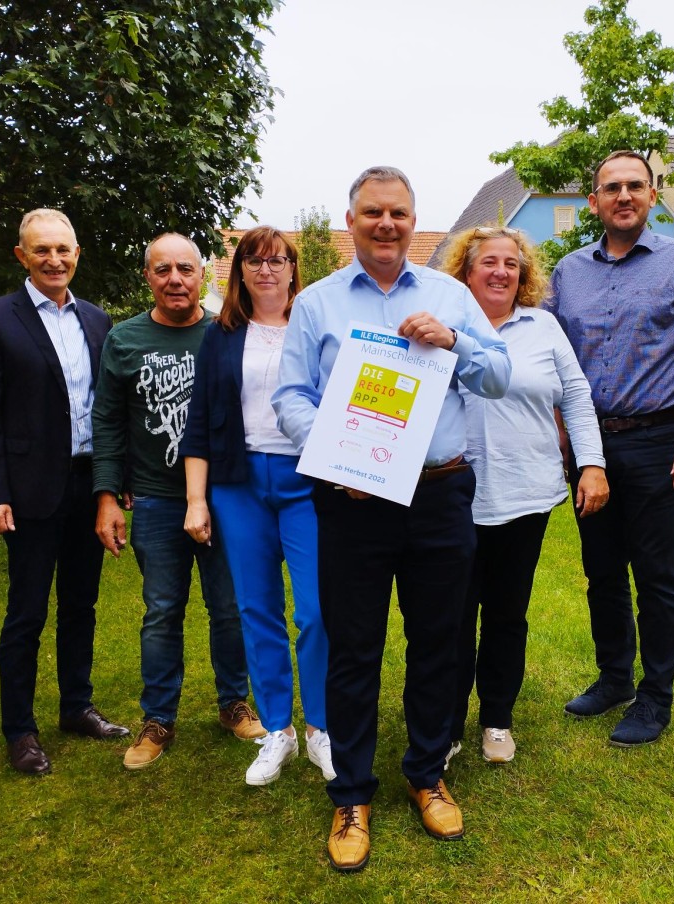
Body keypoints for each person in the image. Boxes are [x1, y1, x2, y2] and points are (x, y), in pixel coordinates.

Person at [273, 166, 511, 872]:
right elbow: (291, 398)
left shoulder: (450, 295)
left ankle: (426, 772)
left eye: (398, 213)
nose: (386, 224)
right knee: (353, 647)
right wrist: (339, 459)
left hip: (439, 494)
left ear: (414, 220)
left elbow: (499, 377)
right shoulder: (315, 304)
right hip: (352, 502)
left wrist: (454, 341)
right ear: (352, 222)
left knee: (439, 640)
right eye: (372, 212)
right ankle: (351, 792)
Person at [548, 150, 674, 746]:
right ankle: (614, 677)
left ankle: (655, 696)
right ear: (593, 201)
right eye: (611, 188)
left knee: (656, 575)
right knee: (601, 570)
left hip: (657, 437)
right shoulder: (568, 272)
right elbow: (552, 354)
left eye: (635, 186)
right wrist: (562, 436)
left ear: (652, 196)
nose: (624, 196)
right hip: (590, 442)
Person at [0, 208, 129, 776]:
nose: (54, 260)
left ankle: (76, 707)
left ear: (77, 254)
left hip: (88, 485)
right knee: (27, 611)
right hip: (29, 491)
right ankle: (20, 730)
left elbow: (108, 411)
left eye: (64, 250)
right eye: (42, 251)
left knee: (80, 605)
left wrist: (114, 484)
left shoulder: (98, 321)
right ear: (22, 257)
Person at [91, 233, 264, 772]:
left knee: (230, 607)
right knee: (162, 611)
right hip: (157, 501)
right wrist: (106, 496)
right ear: (149, 277)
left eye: (185, 270)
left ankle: (233, 703)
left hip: (227, 496)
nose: (175, 280)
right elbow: (108, 423)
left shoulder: (228, 334)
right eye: (163, 270)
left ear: (203, 278)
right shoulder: (124, 340)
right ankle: (158, 718)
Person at [439, 226, 608, 766]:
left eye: (511, 264)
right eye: (488, 262)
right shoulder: (443, 326)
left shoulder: (543, 327)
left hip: (526, 494)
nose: (500, 272)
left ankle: (497, 719)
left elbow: (578, 397)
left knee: (507, 613)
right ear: (466, 271)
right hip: (453, 495)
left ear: (524, 273)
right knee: (452, 615)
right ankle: (445, 724)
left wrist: (592, 464)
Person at [178, 226, 333, 787]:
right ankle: (277, 732)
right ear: (240, 272)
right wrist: (197, 500)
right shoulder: (221, 336)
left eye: (277, 260)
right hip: (239, 483)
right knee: (257, 610)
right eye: (254, 261)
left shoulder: (316, 331)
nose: (266, 270)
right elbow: (197, 424)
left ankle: (320, 728)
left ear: (294, 269)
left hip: (307, 480)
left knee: (317, 611)